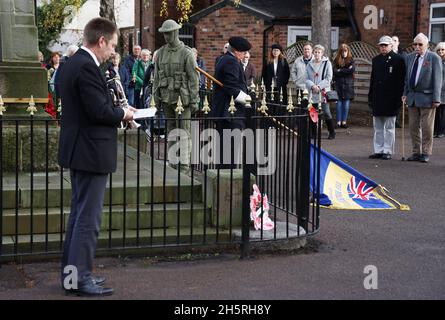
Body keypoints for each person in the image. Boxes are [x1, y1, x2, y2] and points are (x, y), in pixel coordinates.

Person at [58, 17, 136, 297]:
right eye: (112, 45)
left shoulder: (71, 64)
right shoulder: (87, 67)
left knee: (78, 216)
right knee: (88, 219)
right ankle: (81, 279)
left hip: (79, 149)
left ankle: (71, 277)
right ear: (101, 40)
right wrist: (124, 114)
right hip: (90, 151)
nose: (113, 51)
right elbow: (99, 112)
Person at [153, 19, 199, 173]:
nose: (166, 36)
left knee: (184, 133)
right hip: (166, 98)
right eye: (165, 34)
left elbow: (194, 78)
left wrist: (194, 100)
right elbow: (156, 79)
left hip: (183, 100)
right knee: (171, 132)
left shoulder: (186, 53)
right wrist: (156, 98)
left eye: (169, 33)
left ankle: (184, 166)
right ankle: (173, 164)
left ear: (176, 32)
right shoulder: (160, 53)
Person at [211, 36, 251, 167]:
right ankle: (228, 180)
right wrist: (248, 100)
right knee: (229, 152)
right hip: (229, 113)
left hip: (227, 112)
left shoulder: (225, 59)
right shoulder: (231, 62)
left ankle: (224, 176)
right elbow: (231, 87)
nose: (245, 55)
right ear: (237, 51)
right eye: (244, 52)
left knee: (225, 150)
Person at [402, 33, 442, 163]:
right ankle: (416, 152)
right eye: (415, 44)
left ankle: (425, 152)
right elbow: (407, 79)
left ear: (427, 45)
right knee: (413, 126)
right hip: (412, 97)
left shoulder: (434, 58)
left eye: (420, 44)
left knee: (427, 127)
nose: (417, 47)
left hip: (428, 97)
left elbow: (438, 79)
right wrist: (405, 93)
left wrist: (436, 98)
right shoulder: (409, 58)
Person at [368, 36, 406, 160]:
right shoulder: (376, 60)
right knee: (378, 127)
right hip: (378, 97)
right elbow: (373, 80)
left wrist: (399, 98)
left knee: (389, 128)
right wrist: (370, 97)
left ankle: (388, 150)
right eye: (381, 45)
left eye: (385, 45)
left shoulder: (398, 60)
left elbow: (401, 81)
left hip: (391, 98)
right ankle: (378, 150)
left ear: (391, 45)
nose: (383, 47)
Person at [306, 44, 336, 139]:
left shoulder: (327, 63)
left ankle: (332, 132)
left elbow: (329, 78)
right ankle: (313, 133)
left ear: (322, 53)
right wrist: (312, 86)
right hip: (313, 92)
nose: (317, 54)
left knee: (326, 112)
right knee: (313, 112)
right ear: (313, 53)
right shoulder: (309, 64)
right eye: (315, 52)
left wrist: (319, 86)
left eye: (319, 52)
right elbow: (306, 78)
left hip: (323, 92)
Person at [333, 43, 355, 128]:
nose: (344, 53)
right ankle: (338, 122)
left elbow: (351, 70)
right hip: (338, 85)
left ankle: (344, 122)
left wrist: (340, 70)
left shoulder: (351, 60)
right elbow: (334, 71)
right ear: (340, 52)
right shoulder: (336, 60)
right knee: (338, 105)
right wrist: (345, 70)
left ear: (348, 51)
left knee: (346, 105)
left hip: (348, 86)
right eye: (342, 51)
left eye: (345, 51)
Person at [262, 44, 290, 111]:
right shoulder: (267, 61)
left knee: (280, 102)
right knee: (270, 102)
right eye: (274, 50)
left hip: (280, 86)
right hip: (270, 85)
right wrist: (264, 83)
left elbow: (287, 73)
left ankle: (280, 118)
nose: (275, 52)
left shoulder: (283, 61)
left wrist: (284, 82)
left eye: (277, 50)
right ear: (272, 51)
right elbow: (264, 74)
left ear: (280, 52)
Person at [434, 42, 445, 139]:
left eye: (442, 50)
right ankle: (436, 130)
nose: (440, 51)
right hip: (437, 89)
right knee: (436, 111)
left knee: (443, 112)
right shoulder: (436, 60)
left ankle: (441, 131)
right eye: (439, 50)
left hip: (444, 89)